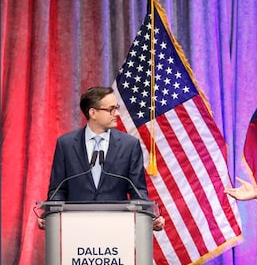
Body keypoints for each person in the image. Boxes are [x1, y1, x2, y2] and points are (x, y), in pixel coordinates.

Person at [38, 86, 165, 230]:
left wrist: (151, 217)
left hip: (115, 229)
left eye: (116, 108)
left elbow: (138, 191)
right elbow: (58, 190)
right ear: (93, 112)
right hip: (76, 230)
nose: (116, 113)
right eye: (111, 109)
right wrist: (48, 216)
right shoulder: (65, 144)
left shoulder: (129, 145)